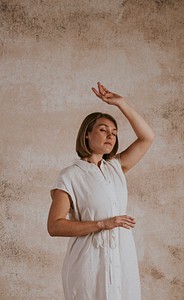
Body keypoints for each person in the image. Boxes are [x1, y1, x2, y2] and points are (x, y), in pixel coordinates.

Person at [47, 82, 155, 300]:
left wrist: (121, 103)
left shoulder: (116, 167)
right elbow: (54, 225)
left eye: (114, 132)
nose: (110, 136)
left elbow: (147, 137)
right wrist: (102, 224)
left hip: (121, 258)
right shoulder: (70, 175)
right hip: (88, 262)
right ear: (86, 135)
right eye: (103, 130)